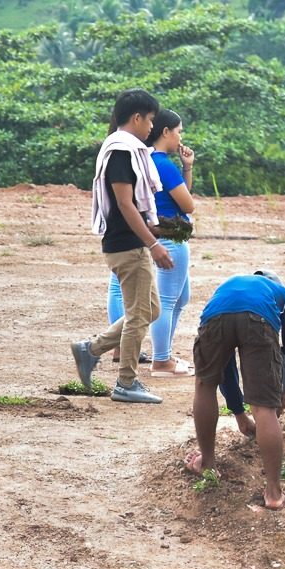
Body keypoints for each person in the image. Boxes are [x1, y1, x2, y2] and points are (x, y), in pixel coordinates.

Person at [70, 89, 176, 404]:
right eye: (150, 121)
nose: (151, 129)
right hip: (126, 246)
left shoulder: (128, 149)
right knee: (139, 314)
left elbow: (133, 207)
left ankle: (91, 349)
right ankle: (126, 382)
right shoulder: (121, 152)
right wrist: (153, 243)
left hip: (128, 243)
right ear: (137, 117)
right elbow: (126, 205)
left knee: (150, 309)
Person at [184, 271, 285, 511]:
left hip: (216, 316)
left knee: (204, 385)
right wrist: (283, 388)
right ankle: (274, 493)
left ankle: (208, 464)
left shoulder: (230, 286)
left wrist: (238, 413)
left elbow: (226, 366)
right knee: (263, 407)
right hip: (258, 320)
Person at [104, 108, 197, 375]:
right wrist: (184, 170)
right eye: (179, 131)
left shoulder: (139, 159)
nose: (181, 137)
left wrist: (186, 167)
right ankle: (162, 359)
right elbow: (187, 204)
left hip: (139, 232)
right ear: (165, 132)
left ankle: (126, 347)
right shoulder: (163, 165)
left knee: (173, 297)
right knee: (167, 300)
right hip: (168, 236)